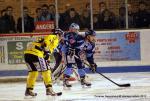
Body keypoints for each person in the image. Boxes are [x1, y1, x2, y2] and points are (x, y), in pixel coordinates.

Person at [24, 30, 62, 97]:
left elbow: (46, 51)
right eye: (61, 36)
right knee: (46, 71)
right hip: (36, 53)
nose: (61, 38)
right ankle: (49, 89)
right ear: (58, 34)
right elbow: (45, 43)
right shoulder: (54, 36)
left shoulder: (48, 39)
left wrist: (47, 58)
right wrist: (47, 52)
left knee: (33, 72)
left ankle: (28, 90)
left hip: (27, 54)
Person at [62, 23, 91, 88]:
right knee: (69, 66)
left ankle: (83, 79)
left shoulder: (80, 35)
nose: (73, 30)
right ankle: (65, 80)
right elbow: (67, 42)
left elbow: (87, 40)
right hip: (69, 52)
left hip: (77, 52)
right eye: (72, 29)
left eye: (75, 29)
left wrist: (85, 47)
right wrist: (70, 48)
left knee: (80, 65)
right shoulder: (67, 34)